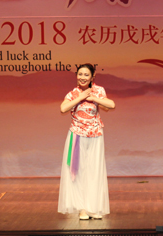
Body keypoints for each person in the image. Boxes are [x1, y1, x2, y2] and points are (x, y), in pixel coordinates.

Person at [58, 63, 115, 220]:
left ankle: (93, 207)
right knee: (80, 171)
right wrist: (81, 97)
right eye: (80, 74)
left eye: (86, 75)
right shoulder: (73, 93)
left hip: (96, 134)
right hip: (77, 135)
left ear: (92, 76)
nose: (82, 77)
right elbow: (63, 109)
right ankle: (82, 208)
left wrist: (94, 98)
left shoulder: (99, 90)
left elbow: (111, 105)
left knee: (94, 170)